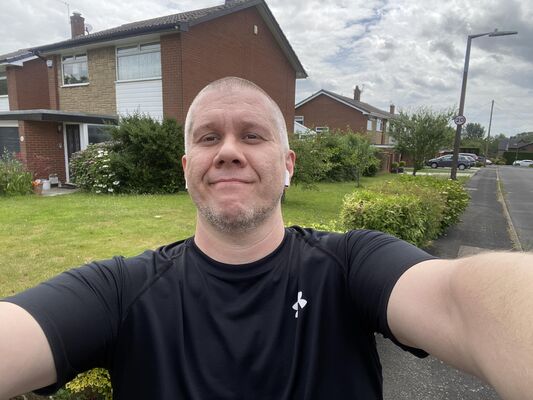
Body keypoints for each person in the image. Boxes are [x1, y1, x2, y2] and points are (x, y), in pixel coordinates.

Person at [1, 77, 532, 400]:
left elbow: (460, 300)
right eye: (209, 137)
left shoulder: (351, 266)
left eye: (252, 135)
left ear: (288, 164)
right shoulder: (119, 290)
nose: (228, 151)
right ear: (187, 168)